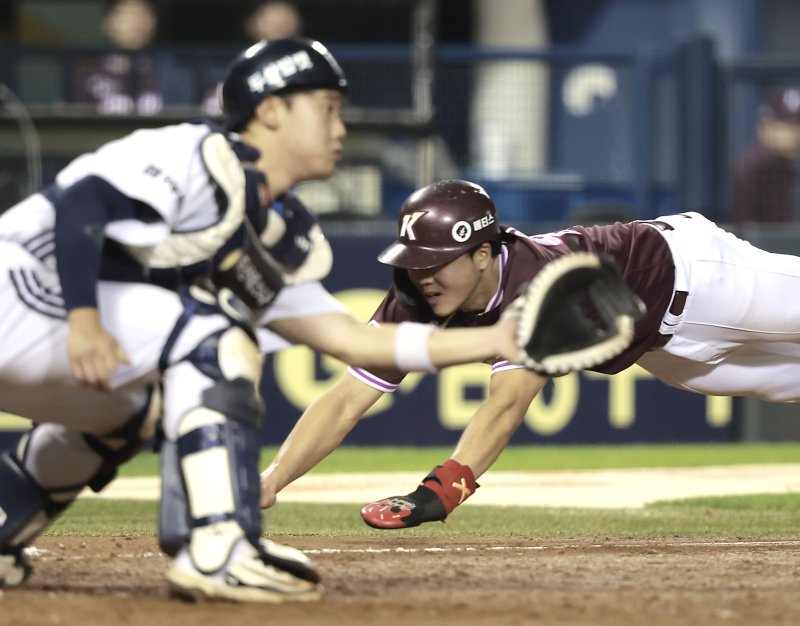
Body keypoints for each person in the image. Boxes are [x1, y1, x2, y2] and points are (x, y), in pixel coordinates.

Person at [0, 40, 522, 603]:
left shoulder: (279, 231)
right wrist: (84, 321)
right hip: (21, 298)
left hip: (44, 339)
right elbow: (82, 205)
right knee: (217, 335)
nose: (340, 128)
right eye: (326, 108)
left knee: (137, 410)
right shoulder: (192, 152)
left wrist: (497, 339)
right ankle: (220, 549)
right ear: (271, 110)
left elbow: (351, 341)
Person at [260, 178, 800, 529]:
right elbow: (345, 400)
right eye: (414, 261)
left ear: (482, 254)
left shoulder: (532, 283)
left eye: (435, 261)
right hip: (664, 349)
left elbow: (507, 404)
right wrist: (270, 481)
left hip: (705, 279)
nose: (422, 275)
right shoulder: (417, 297)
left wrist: (439, 493)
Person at [732, 87, 800, 224]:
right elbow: (745, 230)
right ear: (766, 126)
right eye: (786, 124)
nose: (793, 133)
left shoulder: (787, 163)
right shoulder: (752, 169)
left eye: (797, 124)